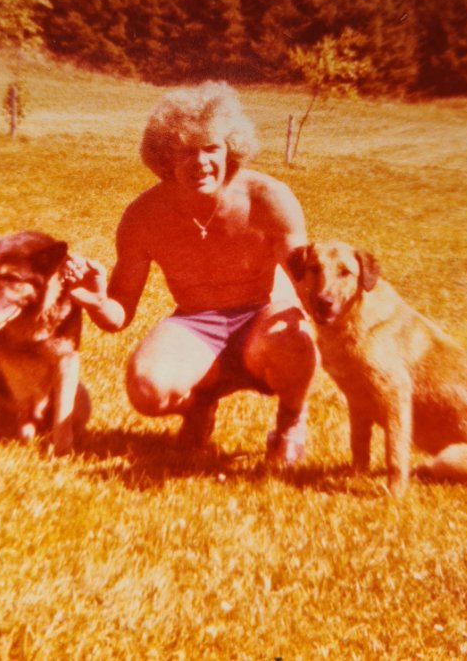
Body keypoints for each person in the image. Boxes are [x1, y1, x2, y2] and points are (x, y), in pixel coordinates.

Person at [68, 81, 317, 463]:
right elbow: (119, 315)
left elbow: (307, 284)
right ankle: (199, 407)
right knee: (147, 389)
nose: (200, 162)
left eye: (211, 148)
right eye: (186, 151)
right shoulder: (142, 216)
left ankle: (290, 423)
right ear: (165, 157)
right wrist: (97, 300)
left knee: (295, 339)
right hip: (197, 321)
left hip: (263, 312)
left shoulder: (269, 198)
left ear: (230, 148)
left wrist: (318, 321)